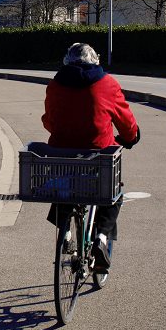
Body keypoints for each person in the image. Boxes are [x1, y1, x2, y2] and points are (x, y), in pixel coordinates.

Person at [41, 42, 140, 272]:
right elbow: (125, 121)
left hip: (62, 155)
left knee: (63, 185)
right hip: (97, 155)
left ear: (67, 60)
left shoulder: (55, 85)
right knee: (113, 193)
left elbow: (49, 120)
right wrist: (131, 137)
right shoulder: (107, 84)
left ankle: (65, 231)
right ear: (95, 60)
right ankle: (102, 238)